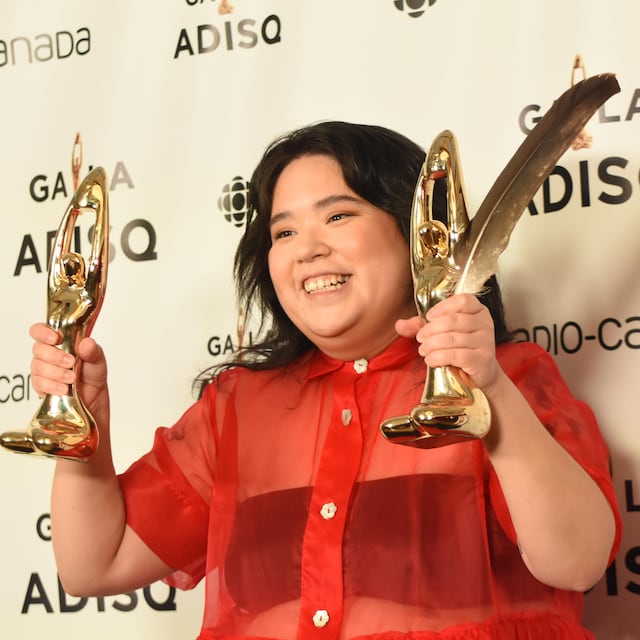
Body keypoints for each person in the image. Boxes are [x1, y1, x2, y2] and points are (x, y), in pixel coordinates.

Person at [30, 121, 621, 640]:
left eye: (338, 216)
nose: (306, 250)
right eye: (283, 232)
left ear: (420, 236)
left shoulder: (508, 380)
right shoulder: (234, 407)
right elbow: (93, 566)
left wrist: (487, 388)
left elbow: (576, 562)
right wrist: (86, 424)